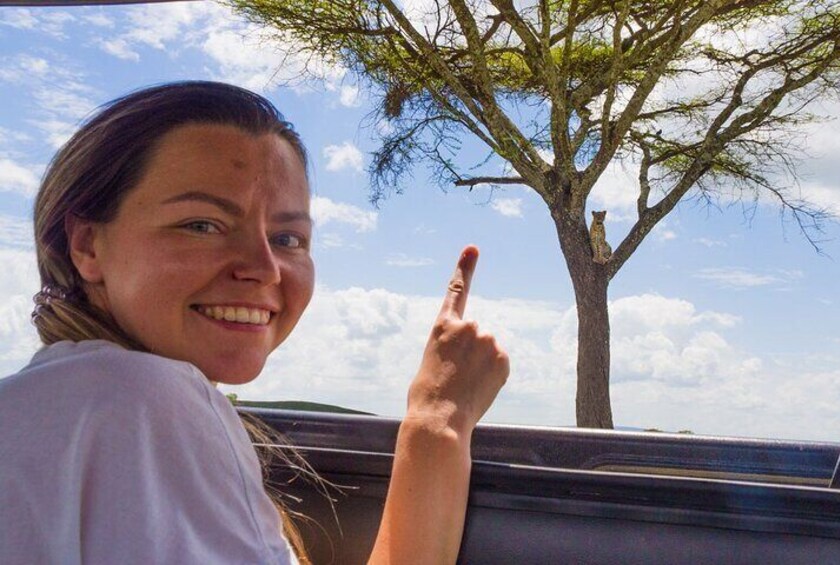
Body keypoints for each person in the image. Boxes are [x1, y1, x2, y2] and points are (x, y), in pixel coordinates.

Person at [0, 81, 509, 564]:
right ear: (87, 245)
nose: (264, 268)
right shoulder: (139, 400)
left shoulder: (52, 403)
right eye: (202, 225)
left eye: (288, 238)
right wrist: (438, 418)